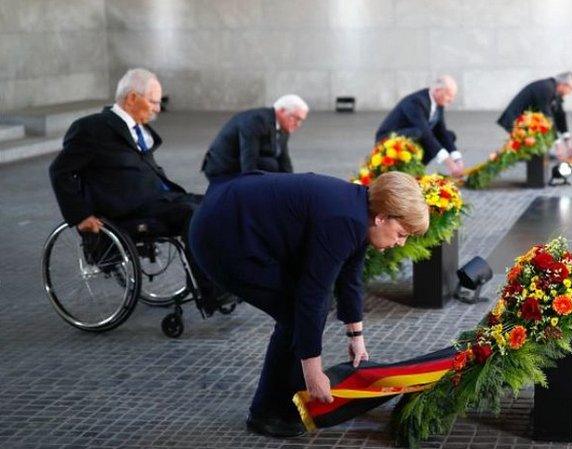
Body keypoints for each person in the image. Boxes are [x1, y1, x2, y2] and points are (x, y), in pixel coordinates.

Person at [188, 171, 429, 437]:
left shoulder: (361, 208)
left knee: (300, 311)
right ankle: (267, 413)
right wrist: (313, 374)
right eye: (400, 233)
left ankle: (283, 402)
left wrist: (356, 336)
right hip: (221, 235)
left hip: (232, 215)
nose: (400, 243)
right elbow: (312, 294)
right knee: (295, 310)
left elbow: (350, 275)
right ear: (382, 217)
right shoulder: (344, 219)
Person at [48, 68, 227, 314]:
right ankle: (212, 293)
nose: (157, 108)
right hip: (129, 210)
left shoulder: (138, 130)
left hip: (159, 199)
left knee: (217, 203)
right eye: (153, 101)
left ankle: (227, 277)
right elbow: (60, 171)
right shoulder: (91, 129)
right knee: (190, 213)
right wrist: (79, 216)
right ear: (132, 98)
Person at [201, 95, 308, 182]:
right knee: (269, 165)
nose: (298, 124)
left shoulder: (283, 126)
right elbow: (248, 159)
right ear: (282, 111)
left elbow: (284, 160)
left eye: (301, 121)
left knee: (273, 165)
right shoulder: (256, 121)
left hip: (240, 164)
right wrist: (253, 191)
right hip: (222, 170)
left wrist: (293, 185)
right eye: (296, 118)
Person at [374, 75, 464, 177]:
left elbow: (441, 131)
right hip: (387, 139)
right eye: (449, 95)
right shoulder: (416, 101)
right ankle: (403, 172)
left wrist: (457, 158)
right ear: (438, 90)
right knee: (420, 133)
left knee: (449, 135)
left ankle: (417, 168)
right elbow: (425, 133)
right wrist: (449, 163)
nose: (451, 100)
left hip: (413, 135)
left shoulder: (439, 103)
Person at [497, 72, 572, 160]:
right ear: (563, 85)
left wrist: (568, 142)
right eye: (571, 89)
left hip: (528, 119)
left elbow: (560, 115)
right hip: (515, 120)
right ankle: (519, 152)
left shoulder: (555, 90)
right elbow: (547, 117)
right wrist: (558, 144)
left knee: (546, 126)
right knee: (545, 125)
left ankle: (535, 153)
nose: (571, 92)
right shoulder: (546, 88)